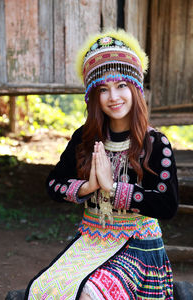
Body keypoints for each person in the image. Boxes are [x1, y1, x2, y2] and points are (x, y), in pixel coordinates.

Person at [24, 29, 178, 300]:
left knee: (90, 293)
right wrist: (88, 186)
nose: (113, 97)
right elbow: (53, 184)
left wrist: (114, 187)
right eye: (103, 89)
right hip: (91, 242)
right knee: (44, 290)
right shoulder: (84, 139)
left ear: (135, 88)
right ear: (93, 97)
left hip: (138, 247)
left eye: (121, 85)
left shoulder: (155, 143)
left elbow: (168, 204)